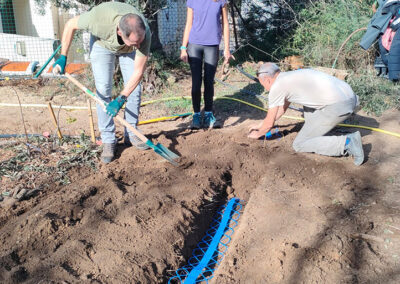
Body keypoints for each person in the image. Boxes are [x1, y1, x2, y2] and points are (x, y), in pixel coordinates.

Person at [53, 2, 151, 164]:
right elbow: (70, 25)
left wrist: (121, 98)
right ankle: (108, 140)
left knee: (135, 89)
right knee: (103, 89)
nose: (139, 46)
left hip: (127, 50)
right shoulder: (98, 20)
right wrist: (63, 56)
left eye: (140, 41)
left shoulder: (143, 33)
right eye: (135, 43)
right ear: (120, 31)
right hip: (102, 44)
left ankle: (132, 134)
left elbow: (138, 72)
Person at [248, 63, 365, 166]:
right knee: (307, 101)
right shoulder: (289, 77)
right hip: (350, 97)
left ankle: (348, 142)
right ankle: (315, 131)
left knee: (300, 144)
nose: (265, 88)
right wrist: (260, 125)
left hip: (339, 106)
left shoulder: (277, 87)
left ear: (267, 80)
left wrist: (258, 134)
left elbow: (269, 124)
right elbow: (281, 109)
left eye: (262, 84)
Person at [180, 0, 234, 129]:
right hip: (194, 45)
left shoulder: (221, 1)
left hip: (212, 45)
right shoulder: (192, 1)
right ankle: (197, 115)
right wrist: (183, 48)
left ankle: (209, 113)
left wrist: (226, 48)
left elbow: (225, 24)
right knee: (196, 81)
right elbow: (189, 24)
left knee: (209, 81)